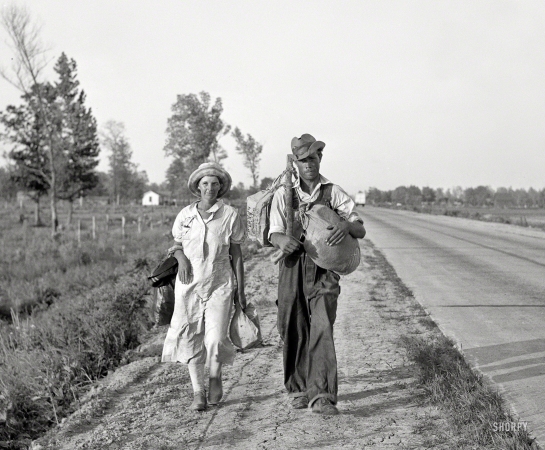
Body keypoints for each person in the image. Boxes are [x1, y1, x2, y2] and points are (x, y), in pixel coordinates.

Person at [269, 134, 366, 415]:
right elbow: (273, 232)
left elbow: (360, 228)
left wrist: (347, 226)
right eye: (302, 160)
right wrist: (280, 240)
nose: (308, 164)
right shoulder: (283, 193)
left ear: (320, 158)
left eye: (313, 158)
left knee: (322, 324)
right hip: (291, 267)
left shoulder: (333, 192)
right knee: (292, 325)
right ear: (295, 164)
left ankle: (322, 394)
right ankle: (299, 388)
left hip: (325, 270)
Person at [162, 162, 246, 411]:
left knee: (216, 338)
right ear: (198, 187)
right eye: (205, 183)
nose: (210, 188)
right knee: (190, 337)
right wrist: (181, 258)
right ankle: (198, 391)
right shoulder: (185, 215)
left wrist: (241, 289)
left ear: (221, 188)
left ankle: (215, 376)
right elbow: (176, 245)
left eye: (215, 184)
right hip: (188, 285)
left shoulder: (229, 214)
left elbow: (237, 253)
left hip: (219, 282)